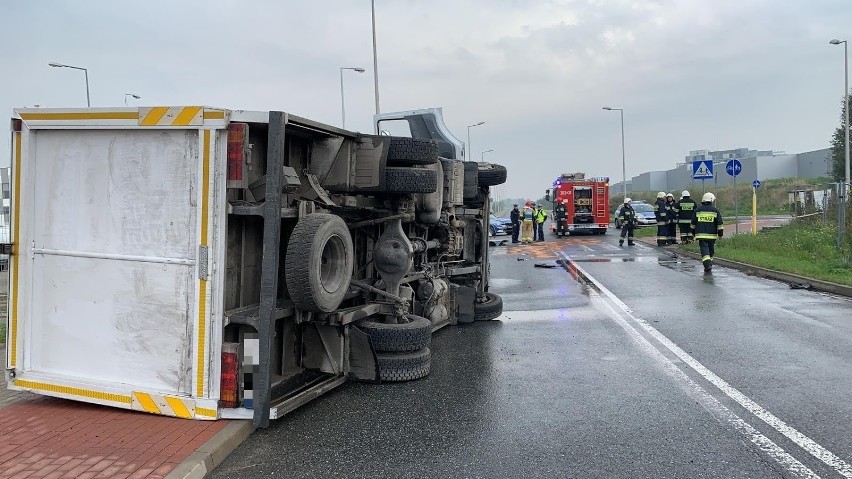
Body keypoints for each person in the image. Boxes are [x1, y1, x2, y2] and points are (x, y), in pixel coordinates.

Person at [691, 192, 724, 272]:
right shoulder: (715, 211)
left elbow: (693, 224)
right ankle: (708, 264)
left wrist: (693, 233)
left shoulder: (697, 210)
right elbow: (720, 224)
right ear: (711, 200)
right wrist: (720, 235)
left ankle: (708, 264)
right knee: (711, 250)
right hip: (712, 235)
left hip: (701, 235)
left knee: (704, 250)